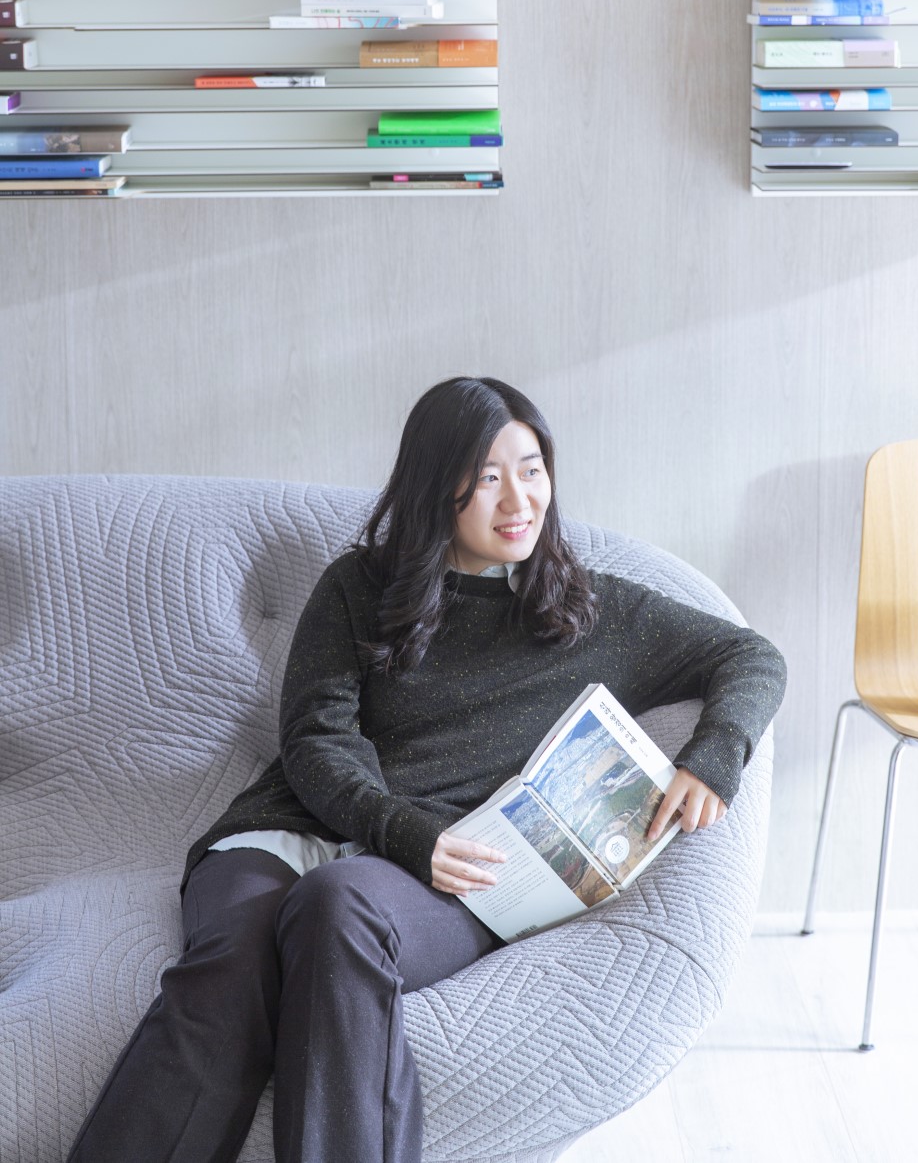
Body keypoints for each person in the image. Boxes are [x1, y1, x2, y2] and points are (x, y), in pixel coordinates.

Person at [67, 375, 786, 1163]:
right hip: (291, 831)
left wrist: (714, 758)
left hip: (445, 873)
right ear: (436, 486)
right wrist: (399, 828)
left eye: (532, 470)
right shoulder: (359, 587)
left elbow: (749, 655)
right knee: (230, 969)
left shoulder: (595, 613)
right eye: (486, 477)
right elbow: (313, 738)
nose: (517, 499)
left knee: (337, 905)